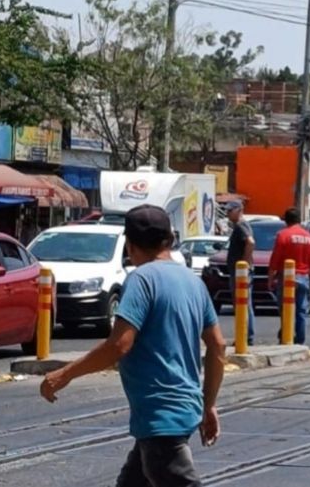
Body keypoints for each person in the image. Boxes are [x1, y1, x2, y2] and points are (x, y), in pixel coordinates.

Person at [39, 204, 226, 487]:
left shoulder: (141, 280)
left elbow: (119, 346)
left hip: (160, 414)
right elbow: (218, 347)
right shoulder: (192, 281)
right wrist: (208, 403)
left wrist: (64, 374)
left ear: (129, 245)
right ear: (171, 240)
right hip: (180, 410)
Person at [268, 207, 310, 345]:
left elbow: (275, 258)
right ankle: (300, 340)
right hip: (303, 276)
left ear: (286, 220)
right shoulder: (308, 236)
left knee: (285, 308)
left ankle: (286, 336)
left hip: (286, 277)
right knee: (301, 310)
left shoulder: (283, 235)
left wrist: (271, 277)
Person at [225, 201, 255, 346]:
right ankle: (245, 336)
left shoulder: (241, 225)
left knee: (242, 304)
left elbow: (250, 242)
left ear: (239, 210)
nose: (227, 213)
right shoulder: (239, 226)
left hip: (240, 272)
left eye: (230, 210)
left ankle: (245, 337)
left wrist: (244, 263)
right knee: (243, 304)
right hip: (238, 271)